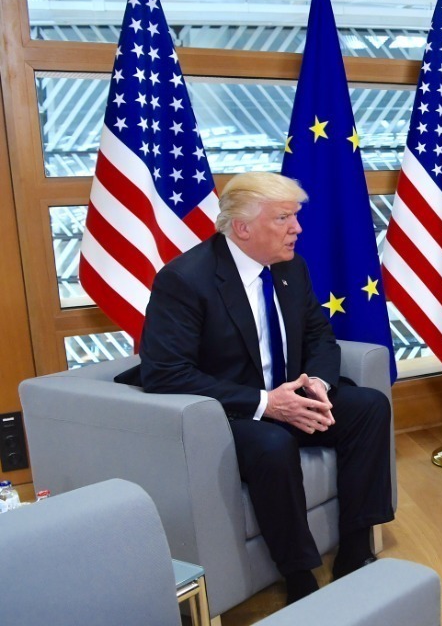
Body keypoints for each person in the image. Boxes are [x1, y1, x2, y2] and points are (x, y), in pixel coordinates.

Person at [135, 172, 394, 603]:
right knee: (273, 444)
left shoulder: (291, 267)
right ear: (243, 227)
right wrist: (266, 403)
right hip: (228, 411)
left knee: (368, 407)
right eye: (284, 218)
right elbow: (165, 373)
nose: (297, 228)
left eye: (295, 217)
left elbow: (318, 337)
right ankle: (299, 576)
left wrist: (318, 383)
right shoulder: (186, 280)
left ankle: (355, 549)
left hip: (289, 396)